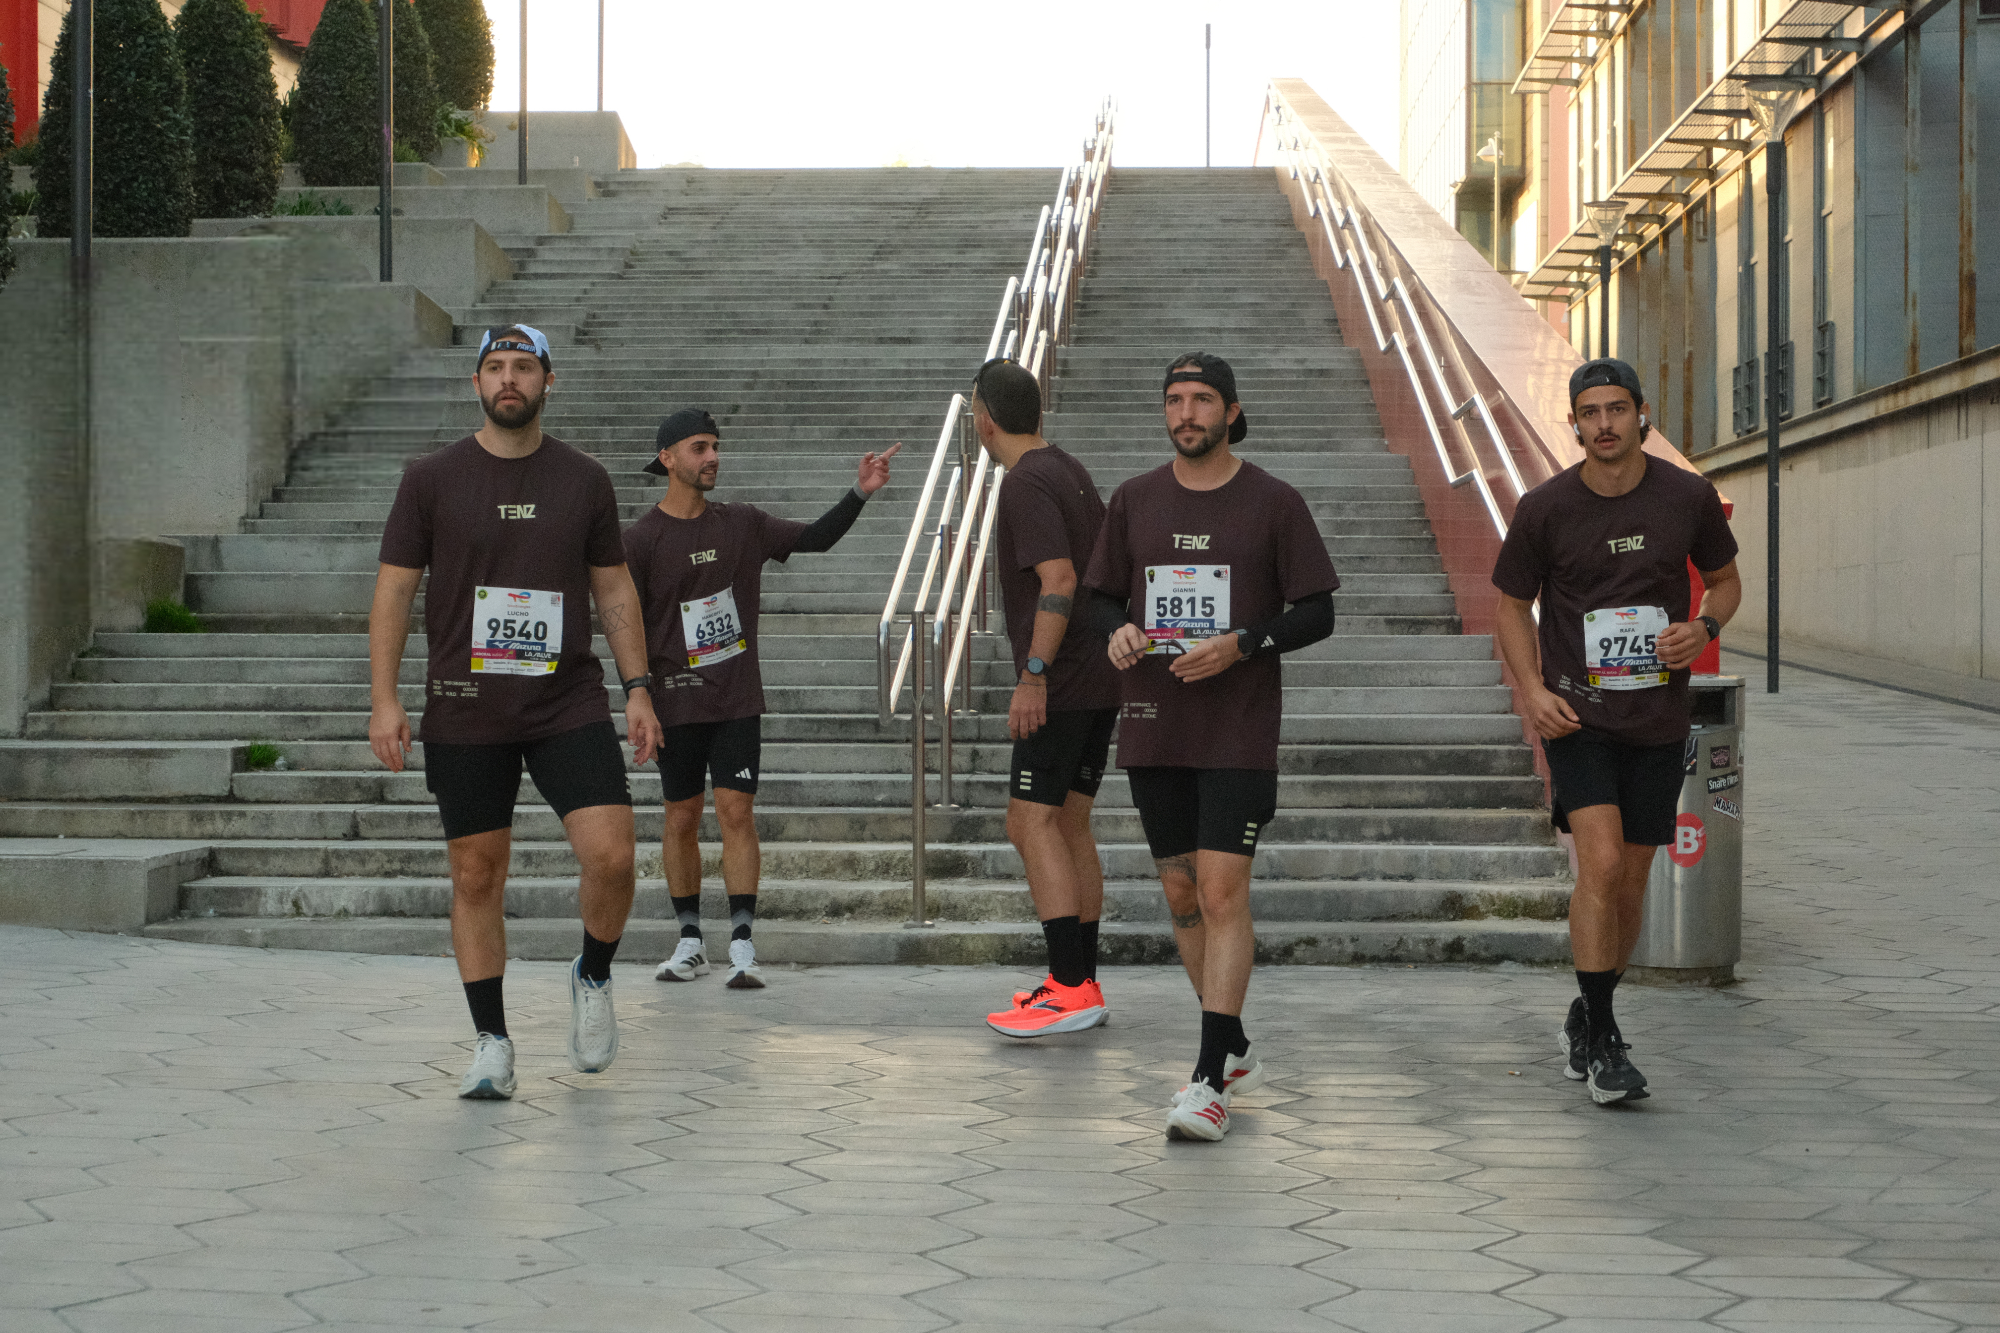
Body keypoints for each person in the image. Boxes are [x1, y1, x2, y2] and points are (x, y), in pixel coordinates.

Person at [369, 324, 664, 1101]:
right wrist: (385, 698)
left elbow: (613, 586)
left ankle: (593, 973)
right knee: (476, 873)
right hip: (466, 704)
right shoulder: (430, 479)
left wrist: (638, 686)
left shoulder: (584, 478)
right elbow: (394, 589)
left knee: (612, 855)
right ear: (476, 383)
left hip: (565, 697)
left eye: (524, 367)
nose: (509, 378)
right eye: (495, 366)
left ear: (547, 381)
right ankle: (492, 1042)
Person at [1082, 352, 1340, 1141]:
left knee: (1223, 892)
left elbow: (1318, 610)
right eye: (1174, 399)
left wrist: (1244, 642)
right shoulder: (1134, 499)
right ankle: (1228, 1042)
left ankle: (1205, 1081)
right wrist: (1118, 630)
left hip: (1237, 728)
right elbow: (1097, 598)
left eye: (1200, 399)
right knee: (1182, 892)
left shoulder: (1274, 501)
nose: (1185, 413)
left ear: (1231, 411)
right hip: (1155, 723)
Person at [1492, 357, 1741, 1106]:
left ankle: (1586, 1010)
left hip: (1657, 719)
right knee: (1599, 865)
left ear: (1641, 414)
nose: (1603, 424)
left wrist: (1702, 628)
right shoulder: (1544, 508)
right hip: (1579, 717)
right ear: (1574, 423)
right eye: (1589, 412)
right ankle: (1605, 1041)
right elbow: (1510, 605)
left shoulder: (1687, 497)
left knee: (1629, 882)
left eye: (1616, 409)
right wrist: (1533, 690)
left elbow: (1725, 582)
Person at [626, 409, 899, 989]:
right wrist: (639, 695)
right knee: (680, 817)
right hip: (675, 700)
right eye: (699, 448)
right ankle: (690, 941)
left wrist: (860, 492)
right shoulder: (641, 539)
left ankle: (743, 943)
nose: (713, 457)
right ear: (667, 459)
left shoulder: (742, 523)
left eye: (716, 446)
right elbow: (625, 623)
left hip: (735, 699)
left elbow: (814, 538)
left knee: (736, 813)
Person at [967, 359, 1122, 1038]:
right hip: (1099, 678)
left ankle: (1066, 987)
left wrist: (1033, 676)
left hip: (1063, 681)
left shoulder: (1025, 480)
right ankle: (1082, 981)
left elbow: (1058, 579)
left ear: (984, 419)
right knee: (1069, 823)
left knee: (1029, 822)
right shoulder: (1068, 467)